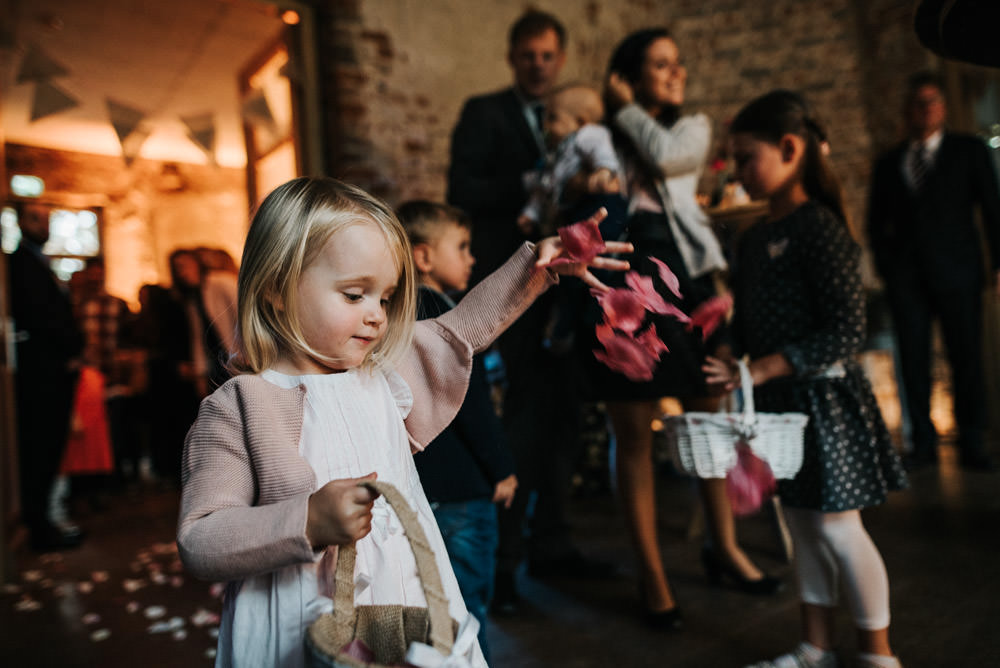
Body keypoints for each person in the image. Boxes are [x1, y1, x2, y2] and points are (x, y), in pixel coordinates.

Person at [176, 176, 631, 668]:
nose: (377, 316)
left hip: (405, 598)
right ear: (277, 293)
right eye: (355, 295)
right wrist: (304, 521)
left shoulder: (382, 373)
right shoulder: (239, 406)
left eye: (385, 298)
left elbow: (463, 327)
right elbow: (201, 538)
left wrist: (538, 267)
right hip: (294, 616)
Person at [704, 89, 908, 668]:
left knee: (840, 529)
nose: (738, 173)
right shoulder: (751, 238)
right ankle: (814, 647)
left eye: (746, 158)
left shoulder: (818, 227)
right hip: (775, 403)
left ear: (790, 149)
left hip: (825, 401)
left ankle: (878, 654)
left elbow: (846, 329)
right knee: (801, 527)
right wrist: (728, 349)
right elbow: (747, 326)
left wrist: (761, 366)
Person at [594, 27, 778, 631]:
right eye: (660, 65)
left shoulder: (691, 127)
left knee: (710, 416)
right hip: (620, 275)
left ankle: (723, 547)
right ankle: (652, 574)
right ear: (631, 71)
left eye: (678, 64)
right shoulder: (599, 133)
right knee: (635, 434)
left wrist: (624, 106)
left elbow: (670, 159)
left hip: (688, 273)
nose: (677, 74)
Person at [448, 9, 608, 614]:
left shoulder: (581, 115)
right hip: (512, 281)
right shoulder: (483, 113)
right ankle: (506, 564)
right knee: (520, 418)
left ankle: (556, 542)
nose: (538, 64)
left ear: (559, 58)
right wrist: (534, 181)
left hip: (569, 288)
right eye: (527, 55)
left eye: (548, 55)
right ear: (512, 57)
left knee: (565, 415)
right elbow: (461, 189)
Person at [398, 199, 518, 663]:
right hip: (464, 490)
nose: (471, 258)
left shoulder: (399, 313)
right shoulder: (445, 315)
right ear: (423, 257)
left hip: (425, 489)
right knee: (467, 609)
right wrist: (502, 467)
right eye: (462, 247)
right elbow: (472, 406)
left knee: (435, 604)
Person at [867, 71, 1000, 472]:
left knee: (966, 357)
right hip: (907, 279)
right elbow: (876, 222)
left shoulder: (969, 150)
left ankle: (973, 437)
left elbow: (992, 211)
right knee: (913, 359)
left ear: (942, 107)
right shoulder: (890, 162)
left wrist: (998, 263)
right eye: (918, 102)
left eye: (933, 101)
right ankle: (921, 439)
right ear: (909, 110)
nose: (925, 109)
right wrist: (889, 268)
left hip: (959, 271)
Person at [8, 200, 85, 550]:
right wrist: (67, 349)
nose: (44, 226)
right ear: (21, 222)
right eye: (36, 219)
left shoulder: (40, 262)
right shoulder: (19, 264)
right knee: (38, 448)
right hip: (40, 372)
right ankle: (38, 526)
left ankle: (43, 520)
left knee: (50, 447)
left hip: (54, 369)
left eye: (46, 220)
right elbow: (40, 317)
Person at [518, 83, 625, 239]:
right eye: (545, 117)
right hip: (572, 212)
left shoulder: (586, 134)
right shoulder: (556, 154)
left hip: (596, 204)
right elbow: (545, 187)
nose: (545, 125)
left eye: (552, 118)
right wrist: (531, 213)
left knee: (593, 244)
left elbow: (601, 150)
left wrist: (603, 170)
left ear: (581, 122)